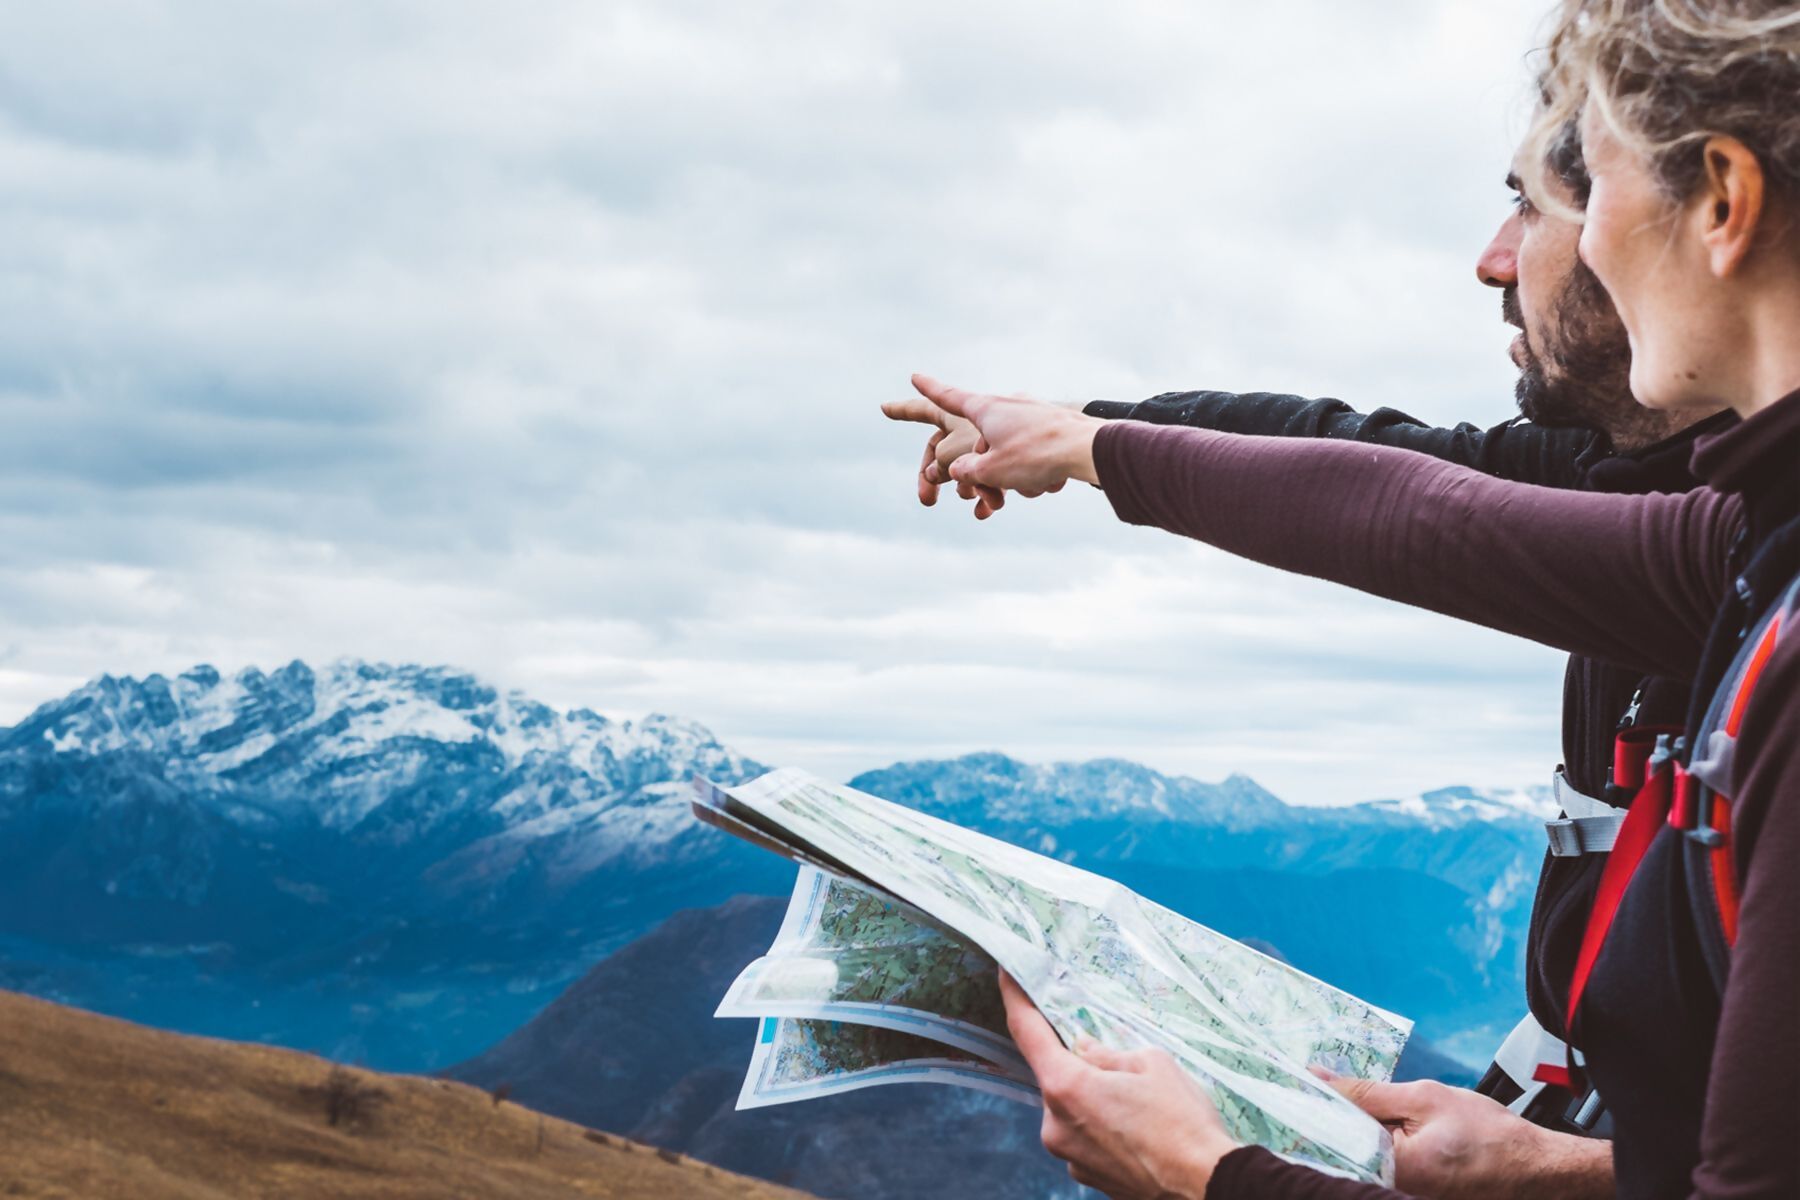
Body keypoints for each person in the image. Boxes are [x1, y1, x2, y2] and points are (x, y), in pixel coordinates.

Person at [890, 1, 1800, 1196]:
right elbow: (1412, 509)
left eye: (1592, 189)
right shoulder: (1753, 540)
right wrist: (1084, 441)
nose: (1530, 253)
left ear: (1723, 203)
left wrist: (1205, 1173)